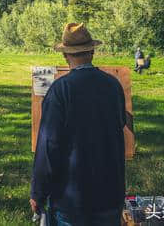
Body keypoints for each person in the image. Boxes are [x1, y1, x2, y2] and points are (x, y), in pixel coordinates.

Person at [30, 23, 126, 226]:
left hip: (72, 201)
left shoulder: (60, 90)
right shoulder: (113, 85)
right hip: (110, 194)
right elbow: (120, 125)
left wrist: (38, 193)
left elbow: (48, 145)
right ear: (92, 51)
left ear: (65, 55)